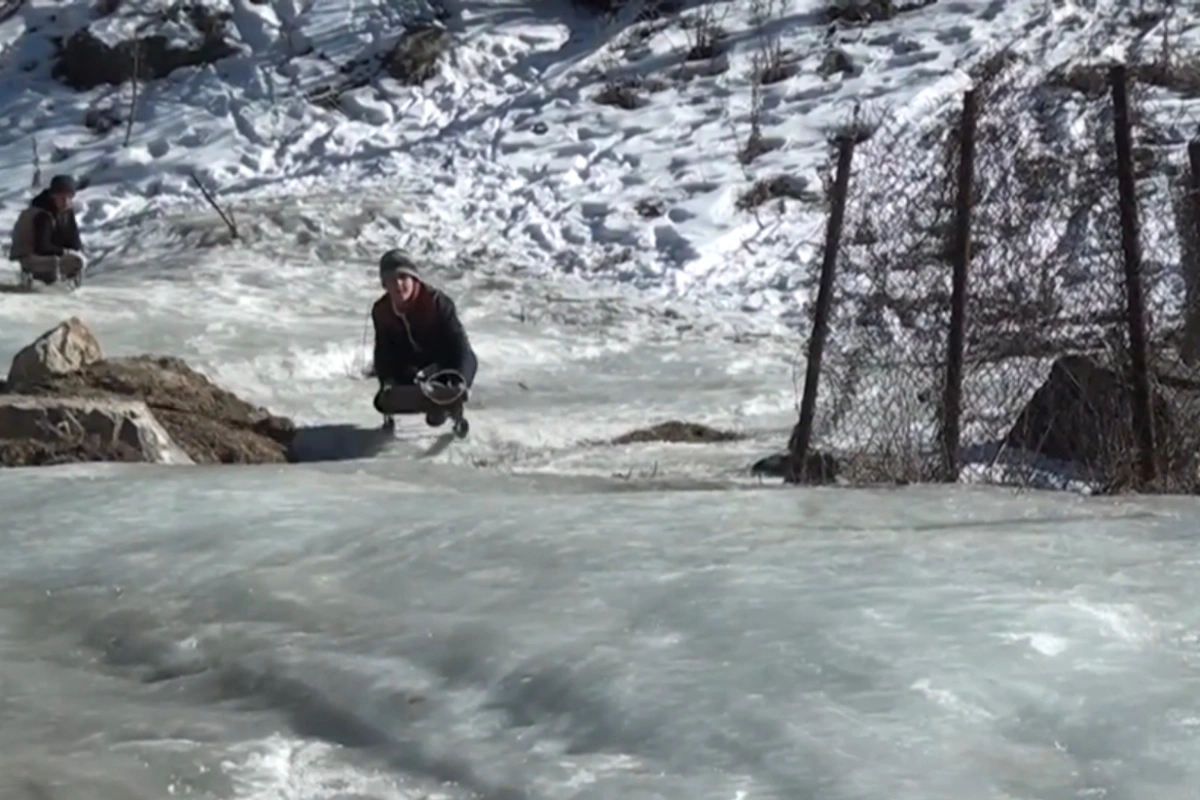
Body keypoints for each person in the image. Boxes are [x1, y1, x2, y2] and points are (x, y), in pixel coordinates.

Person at [370, 248, 478, 428]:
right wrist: (386, 381)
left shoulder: (436, 302)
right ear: (384, 284)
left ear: (414, 279)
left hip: (443, 365)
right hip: (410, 369)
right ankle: (431, 403)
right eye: (391, 279)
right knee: (387, 395)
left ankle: (447, 401)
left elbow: (459, 345)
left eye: (403, 277)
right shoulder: (381, 310)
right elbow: (383, 351)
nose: (398, 285)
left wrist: (461, 380)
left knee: (468, 359)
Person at [7, 174, 86, 287]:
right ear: (53, 196)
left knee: (78, 259)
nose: (65, 201)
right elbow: (42, 246)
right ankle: (38, 277)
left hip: (49, 254)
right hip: (30, 256)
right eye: (61, 197)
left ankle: (62, 281)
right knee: (66, 262)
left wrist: (72, 250)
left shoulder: (66, 213)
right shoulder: (41, 213)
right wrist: (64, 252)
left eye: (69, 197)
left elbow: (74, 240)